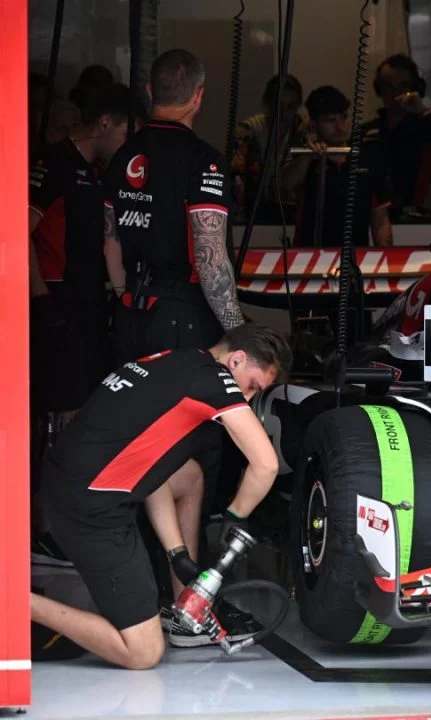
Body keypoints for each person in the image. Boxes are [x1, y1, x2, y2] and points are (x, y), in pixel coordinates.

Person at [30, 324, 289, 670]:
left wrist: (177, 553)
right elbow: (266, 464)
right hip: (91, 507)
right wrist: (235, 516)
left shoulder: (174, 361)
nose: (248, 399)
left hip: (71, 479)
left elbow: (154, 472)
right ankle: (16, 602)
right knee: (144, 652)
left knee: (191, 475)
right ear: (237, 360)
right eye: (253, 386)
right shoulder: (215, 379)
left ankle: (187, 609)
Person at [104, 48, 245, 366]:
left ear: (150, 91)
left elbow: (110, 240)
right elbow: (211, 258)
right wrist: (238, 332)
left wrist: (124, 294)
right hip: (181, 316)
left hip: (129, 313)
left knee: (133, 413)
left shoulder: (123, 154)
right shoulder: (203, 161)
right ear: (198, 96)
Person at [30, 83, 138, 429]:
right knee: (66, 410)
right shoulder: (53, 164)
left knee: (93, 404)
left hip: (92, 304)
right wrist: (40, 296)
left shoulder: (102, 173)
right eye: (125, 133)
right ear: (104, 123)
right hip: (57, 303)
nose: (127, 144)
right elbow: (17, 233)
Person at [285, 85, 393, 248]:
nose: (340, 126)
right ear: (314, 124)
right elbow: (283, 186)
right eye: (330, 120)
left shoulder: (366, 157)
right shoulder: (304, 158)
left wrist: (387, 261)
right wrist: (308, 156)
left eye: (343, 117)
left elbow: (380, 219)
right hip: (307, 258)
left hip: (356, 258)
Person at [361, 53, 431, 214]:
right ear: (379, 89)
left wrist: (422, 112)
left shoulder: (426, 127)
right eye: (388, 86)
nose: (394, 93)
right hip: (373, 215)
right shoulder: (368, 131)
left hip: (414, 215)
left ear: (415, 89)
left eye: (402, 86)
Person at [230, 73, 308, 219]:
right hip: (252, 210)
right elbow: (237, 176)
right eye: (278, 106)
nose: (283, 113)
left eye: (290, 107)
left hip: (293, 210)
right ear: (268, 103)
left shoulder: (303, 130)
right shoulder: (248, 130)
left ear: (298, 105)